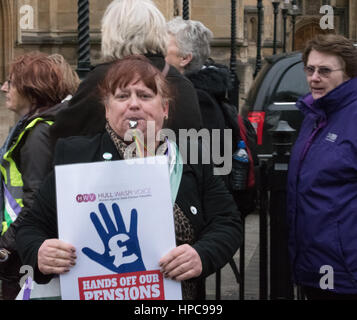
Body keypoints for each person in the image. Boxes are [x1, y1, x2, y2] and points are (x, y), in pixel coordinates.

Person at [16, 55, 242, 300]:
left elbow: (227, 222)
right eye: (122, 96)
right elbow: (30, 226)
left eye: (145, 96)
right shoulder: (76, 156)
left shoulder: (190, 157)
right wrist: (39, 251)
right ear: (107, 109)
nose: (133, 104)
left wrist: (201, 255)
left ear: (164, 108)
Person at [49, 0, 202, 146]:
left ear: (112, 32)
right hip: (174, 172)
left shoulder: (102, 79)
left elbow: (61, 135)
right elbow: (195, 147)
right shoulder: (181, 83)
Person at [0, 52, 79, 299]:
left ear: (31, 90)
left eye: (11, 83)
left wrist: (5, 243)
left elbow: (34, 199)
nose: (4, 88)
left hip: (21, 252)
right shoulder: (36, 125)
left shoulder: (39, 134)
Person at [287, 34, 357, 300]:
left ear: (348, 74)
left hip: (346, 272)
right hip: (313, 266)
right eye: (310, 69)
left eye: (325, 70)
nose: (314, 77)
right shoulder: (316, 114)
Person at [166, 17, 258, 216]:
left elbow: (213, 166)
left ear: (185, 58)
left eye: (165, 45)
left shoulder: (199, 101)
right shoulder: (197, 94)